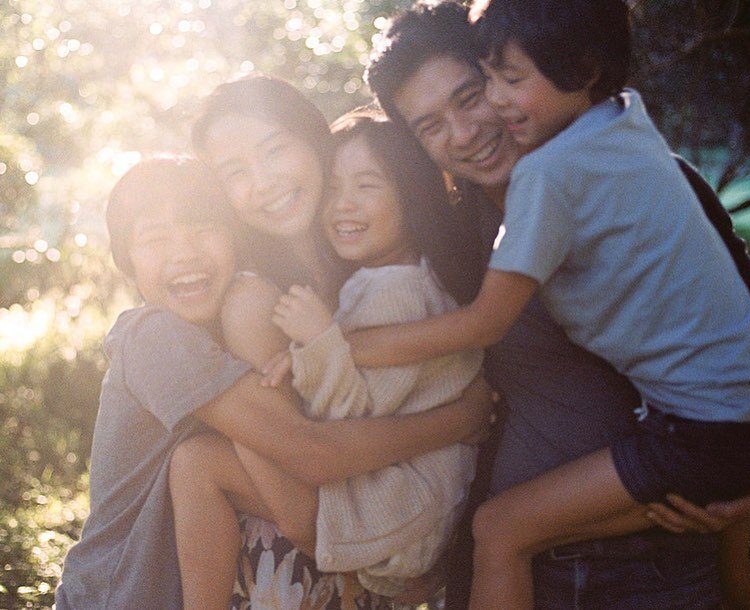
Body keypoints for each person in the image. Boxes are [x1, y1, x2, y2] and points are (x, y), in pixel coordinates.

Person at [362, 1, 750, 608]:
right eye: (430, 126)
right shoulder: (446, 238)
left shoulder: (636, 179)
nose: (463, 134)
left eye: (471, 97)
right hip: (527, 564)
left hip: (652, 562)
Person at [54, 155, 490, 610]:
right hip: (118, 598)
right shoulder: (155, 338)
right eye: (155, 239)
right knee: (195, 460)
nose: (184, 252)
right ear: (127, 261)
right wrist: (460, 419)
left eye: (204, 229)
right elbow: (312, 454)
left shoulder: (231, 329)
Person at [175, 109, 482, 602]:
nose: (344, 205)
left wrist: (319, 344)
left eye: (367, 186)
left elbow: (339, 430)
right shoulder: (394, 278)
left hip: (391, 515)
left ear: (412, 192)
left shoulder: (393, 292)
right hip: (405, 510)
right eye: (336, 188)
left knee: (198, 462)